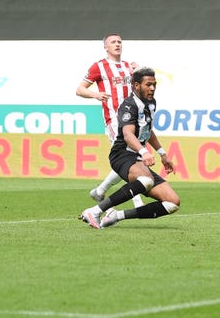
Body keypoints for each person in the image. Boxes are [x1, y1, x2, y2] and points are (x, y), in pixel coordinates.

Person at [80, 67, 180, 229]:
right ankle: (95, 211)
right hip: (122, 154)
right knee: (146, 180)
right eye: (148, 84)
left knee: (172, 202)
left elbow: (148, 130)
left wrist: (162, 154)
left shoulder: (151, 103)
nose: (152, 88)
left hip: (138, 158)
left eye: (154, 84)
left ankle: (117, 215)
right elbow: (128, 134)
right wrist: (144, 151)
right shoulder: (129, 105)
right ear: (136, 85)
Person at [76, 33, 144, 208]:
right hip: (114, 119)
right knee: (131, 156)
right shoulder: (99, 67)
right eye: (113, 42)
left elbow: (145, 87)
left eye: (120, 42)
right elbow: (80, 89)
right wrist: (95, 94)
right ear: (105, 47)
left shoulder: (130, 67)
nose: (117, 44)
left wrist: (140, 70)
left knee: (130, 157)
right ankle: (136, 199)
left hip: (132, 119)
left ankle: (99, 191)